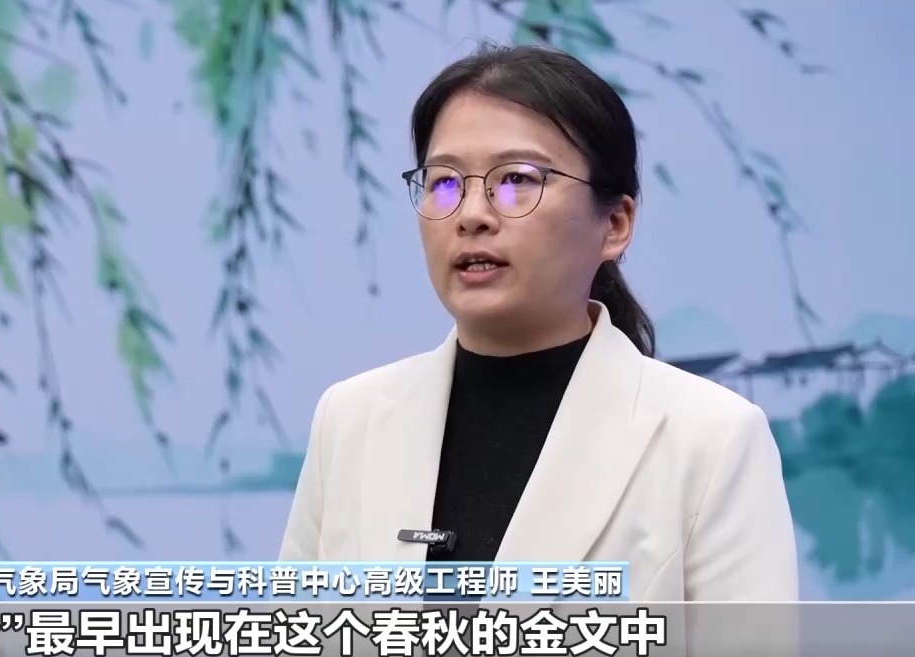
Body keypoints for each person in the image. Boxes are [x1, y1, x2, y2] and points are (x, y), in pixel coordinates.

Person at [278, 44, 799, 601]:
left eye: (517, 179)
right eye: (445, 182)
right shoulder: (350, 421)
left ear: (615, 224)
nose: (471, 215)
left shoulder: (711, 440)